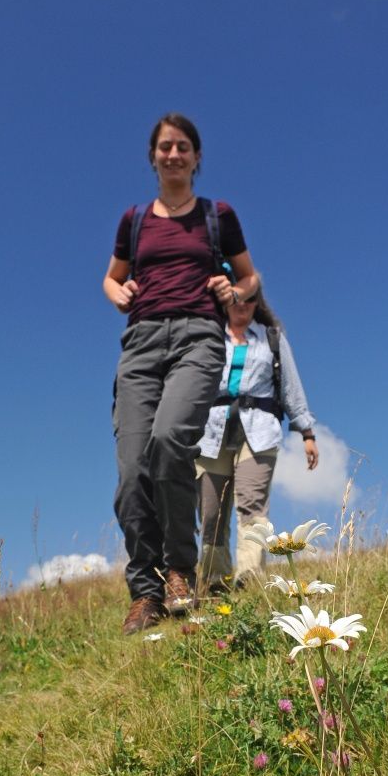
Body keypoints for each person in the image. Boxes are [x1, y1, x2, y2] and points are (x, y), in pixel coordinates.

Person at [103, 113, 259, 634]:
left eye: (184, 147)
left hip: (197, 336)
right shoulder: (135, 220)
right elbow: (112, 277)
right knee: (131, 470)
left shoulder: (218, 215)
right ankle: (144, 593)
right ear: (153, 157)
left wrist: (233, 292)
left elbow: (250, 275)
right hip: (142, 343)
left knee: (170, 442)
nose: (174, 154)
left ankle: (178, 571)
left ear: (196, 157)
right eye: (165, 147)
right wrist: (117, 292)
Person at [196, 285, 318, 592]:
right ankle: (215, 581)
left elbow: (291, 386)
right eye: (236, 298)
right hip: (210, 432)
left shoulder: (271, 338)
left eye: (250, 298)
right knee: (212, 512)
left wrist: (307, 431)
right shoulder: (206, 336)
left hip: (259, 431)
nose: (243, 304)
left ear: (257, 301)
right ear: (225, 300)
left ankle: (249, 579)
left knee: (252, 505)